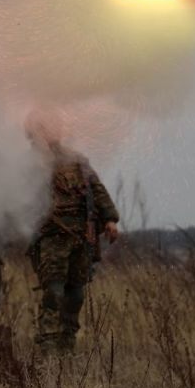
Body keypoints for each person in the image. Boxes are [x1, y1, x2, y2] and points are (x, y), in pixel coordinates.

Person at [26, 120, 119, 352]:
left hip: (81, 236)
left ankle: (67, 344)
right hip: (52, 237)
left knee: (76, 293)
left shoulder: (77, 160)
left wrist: (110, 219)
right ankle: (47, 345)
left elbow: (97, 189)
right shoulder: (30, 163)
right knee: (54, 291)